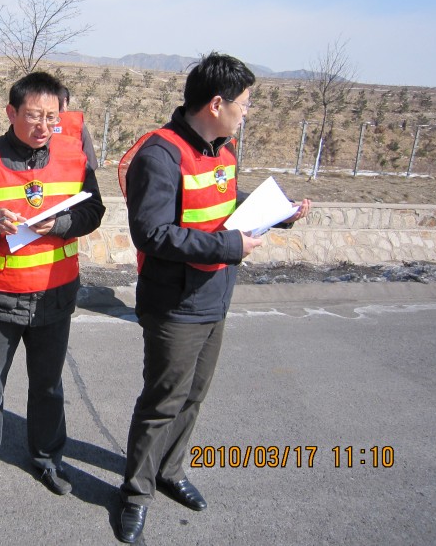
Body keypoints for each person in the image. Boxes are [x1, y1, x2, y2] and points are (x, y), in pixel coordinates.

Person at [115, 52, 311, 543]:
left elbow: (223, 206)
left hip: (215, 295)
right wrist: (228, 247)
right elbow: (152, 233)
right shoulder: (160, 155)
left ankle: (170, 470)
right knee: (163, 399)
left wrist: (279, 213)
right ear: (217, 103)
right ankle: (135, 493)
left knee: (194, 395)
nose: (247, 112)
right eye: (244, 103)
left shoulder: (223, 150)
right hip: (175, 303)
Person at [0, 71, 105, 495]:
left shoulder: (74, 157)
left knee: (48, 385)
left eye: (52, 117)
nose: (43, 126)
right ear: (11, 112)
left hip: (55, 292)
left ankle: (48, 457)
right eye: (34, 115)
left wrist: (63, 223)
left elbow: (94, 211)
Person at [57, 85, 99, 170]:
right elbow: (92, 163)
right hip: (73, 176)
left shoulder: (37, 125)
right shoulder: (77, 125)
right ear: (65, 102)